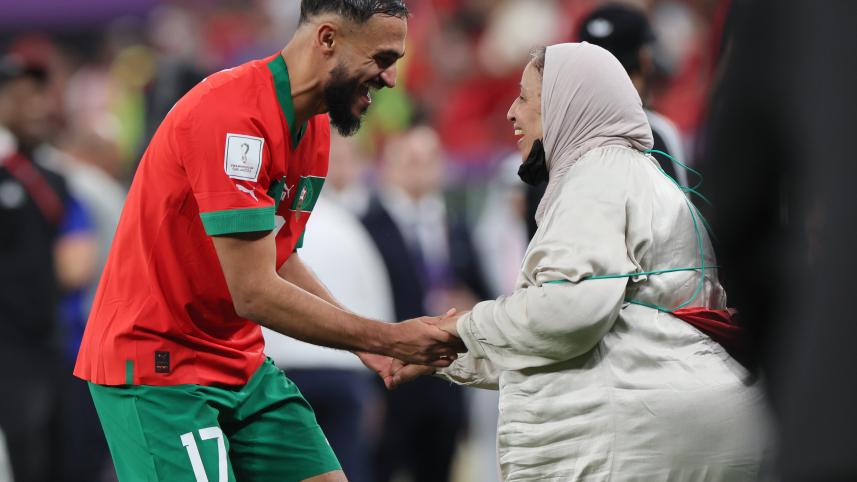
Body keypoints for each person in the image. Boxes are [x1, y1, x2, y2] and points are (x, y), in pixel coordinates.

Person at [73, 2, 461, 481]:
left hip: (237, 360)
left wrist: (372, 347)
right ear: (327, 40)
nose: (391, 80)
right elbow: (253, 290)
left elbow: (277, 257)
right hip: (158, 366)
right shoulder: (231, 114)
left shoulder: (315, 126)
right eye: (382, 58)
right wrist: (388, 337)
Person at [390, 43, 769, 481]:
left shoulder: (598, 175)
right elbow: (581, 336)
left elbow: (570, 312)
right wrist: (447, 352)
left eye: (526, 97)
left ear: (566, 102)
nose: (511, 113)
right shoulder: (625, 173)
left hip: (638, 437)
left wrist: (457, 327)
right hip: (663, 425)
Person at [362, 125, 490, 482]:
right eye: (412, 160)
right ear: (390, 165)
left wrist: (470, 304)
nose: (421, 168)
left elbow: (485, 292)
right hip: (392, 380)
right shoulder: (368, 227)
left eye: (430, 159)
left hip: (447, 380)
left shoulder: (455, 227)